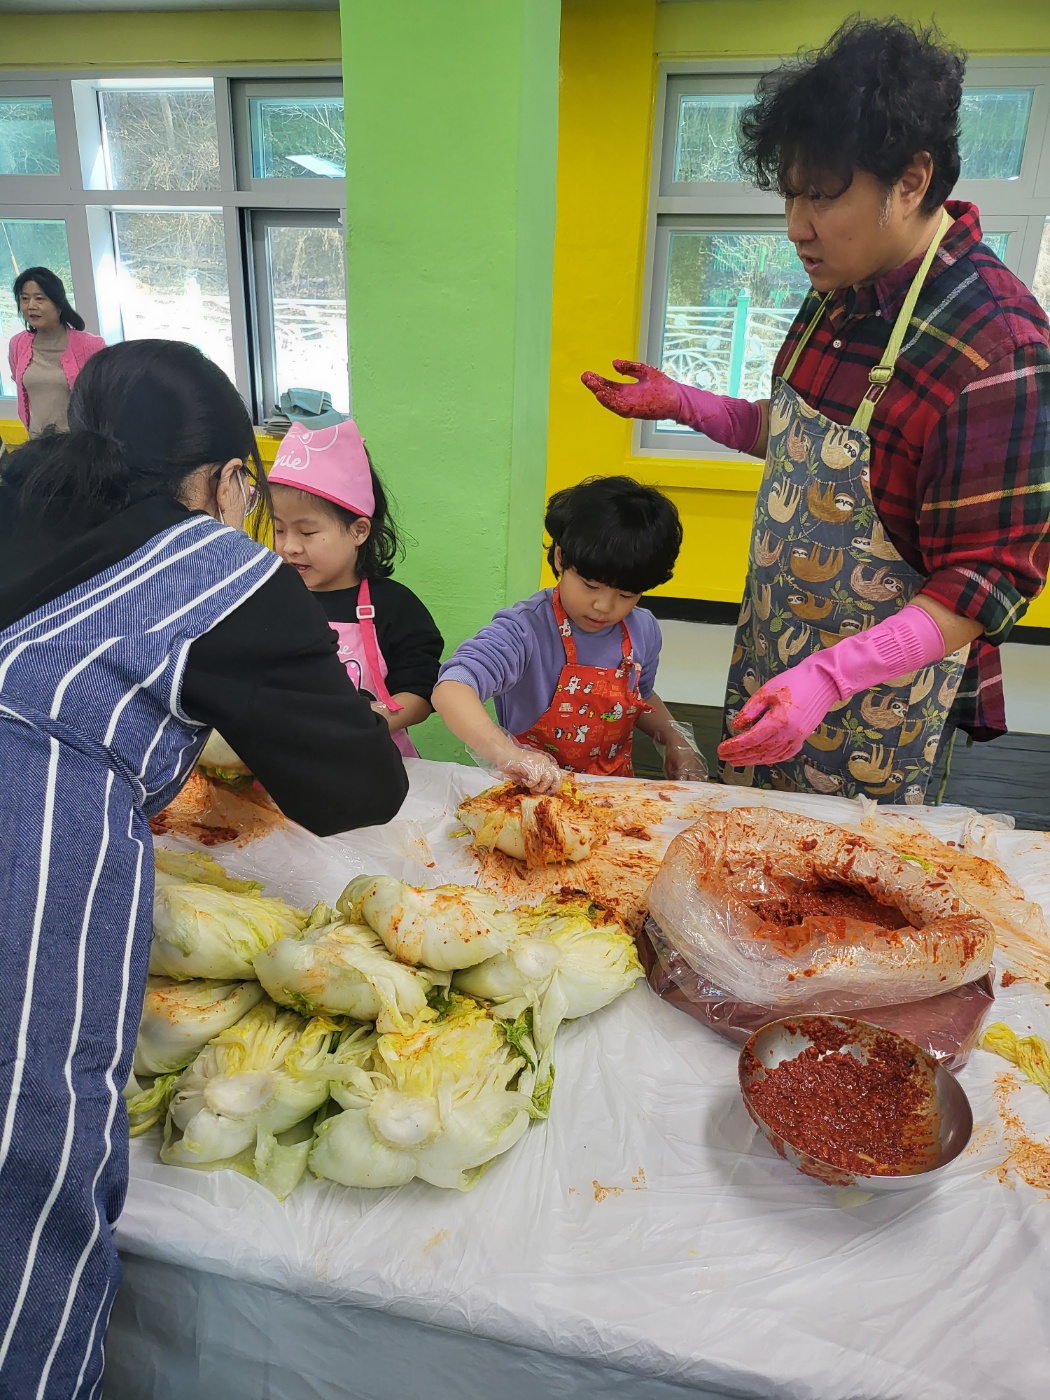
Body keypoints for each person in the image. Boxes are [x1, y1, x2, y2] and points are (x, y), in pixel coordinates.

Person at [0, 340, 407, 1397]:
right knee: (23, 1164)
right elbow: (358, 789)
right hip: (25, 831)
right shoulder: (213, 561)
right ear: (233, 479)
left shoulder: (18, 496)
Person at [583, 18, 1050, 805]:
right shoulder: (839, 289)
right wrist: (686, 404)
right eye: (790, 195)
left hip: (876, 709)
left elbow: (987, 581)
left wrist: (828, 678)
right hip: (774, 647)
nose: (796, 226)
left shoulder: (998, 350)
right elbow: (805, 439)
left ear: (911, 180)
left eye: (823, 197)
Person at [432, 475, 706, 792]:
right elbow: (451, 689)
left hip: (614, 794)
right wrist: (508, 754)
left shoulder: (643, 629)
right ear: (561, 557)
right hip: (533, 795)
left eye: (627, 595)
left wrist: (674, 738)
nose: (604, 606)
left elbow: (640, 695)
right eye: (591, 586)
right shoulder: (524, 629)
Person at [269, 418, 444, 757]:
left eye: (306, 532)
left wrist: (365, 722)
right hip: (291, 765)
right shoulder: (273, 600)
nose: (289, 546)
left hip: (378, 765)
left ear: (359, 531)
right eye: (278, 530)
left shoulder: (394, 606)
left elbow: (421, 692)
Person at [8, 266, 105, 436]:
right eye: (24, 299)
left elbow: (105, 401)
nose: (31, 306)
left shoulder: (91, 346)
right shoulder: (17, 344)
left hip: (77, 448)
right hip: (37, 446)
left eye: (39, 298)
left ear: (58, 304)